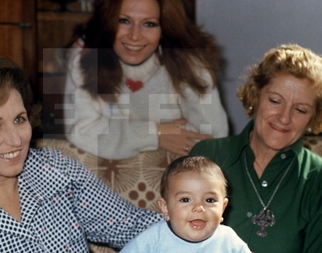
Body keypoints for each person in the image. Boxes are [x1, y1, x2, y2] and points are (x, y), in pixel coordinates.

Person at [0, 55, 162, 252]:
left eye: (19, 119)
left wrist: (190, 229)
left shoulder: (54, 169)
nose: (16, 140)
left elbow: (130, 225)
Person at [189, 44, 322, 253]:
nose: (284, 118)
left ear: (313, 117)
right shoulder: (208, 156)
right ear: (255, 95)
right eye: (275, 101)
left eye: (300, 110)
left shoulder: (318, 178)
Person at [63, 0, 228, 160]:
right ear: (108, 22)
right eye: (124, 21)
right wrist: (155, 134)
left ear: (164, 28)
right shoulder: (85, 58)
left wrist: (115, 134)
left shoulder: (188, 63)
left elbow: (213, 138)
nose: (134, 36)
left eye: (149, 24)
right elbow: (81, 130)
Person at [120, 156, 251, 252]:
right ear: (165, 208)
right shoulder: (153, 239)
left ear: (223, 208)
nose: (199, 208)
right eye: (185, 199)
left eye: (209, 200)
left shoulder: (228, 240)